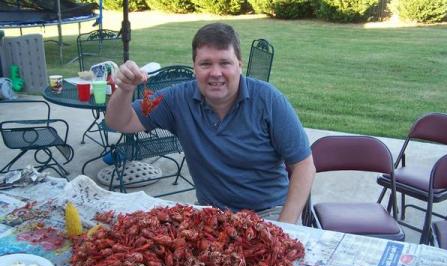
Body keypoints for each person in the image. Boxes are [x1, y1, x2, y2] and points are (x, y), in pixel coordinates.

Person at [106, 22, 315, 225]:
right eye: (206, 64)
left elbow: (304, 165)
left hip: (268, 213)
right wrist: (124, 89)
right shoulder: (176, 99)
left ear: (239, 65)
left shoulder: (269, 99)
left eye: (225, 63)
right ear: (194, 68)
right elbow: (120, 122)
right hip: (211, 216)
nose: (216, 73)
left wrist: (285, 226)